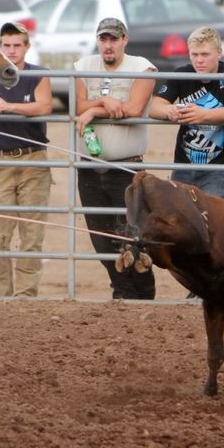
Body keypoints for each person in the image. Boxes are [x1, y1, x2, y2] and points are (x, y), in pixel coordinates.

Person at [74, 17, 158, 300]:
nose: (108, 45)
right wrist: (104, 103)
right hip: (90, 167)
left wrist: (92, 110)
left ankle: (144, 294)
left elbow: (134, 108)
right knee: (101, 239)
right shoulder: (84, 66)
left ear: (125, 40)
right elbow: (77, 104)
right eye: (103, 39)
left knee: (133, 237)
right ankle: (121, 292)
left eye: (113, 39)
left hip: (127, 167)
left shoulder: (142, 66)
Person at [0, 22, 52, 297]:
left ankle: (26, 296)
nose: (12, 50)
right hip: (1, 160)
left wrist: (7, 107)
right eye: (7, 45)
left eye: (17, 45)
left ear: (27, 47)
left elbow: (44, 106)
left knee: (32, 234)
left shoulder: (38, 75)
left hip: (34, 160)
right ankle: (2, 296)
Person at [150, 26, 224, 200]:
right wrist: (169, 111)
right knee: (180, 219)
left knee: (210, 219)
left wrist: (204, 115)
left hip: (219, 168)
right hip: (184, 164)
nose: (199, 60)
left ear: (219, 53)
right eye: (194, 55)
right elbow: (155, 106)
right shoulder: (182, 74)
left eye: (205, 54)